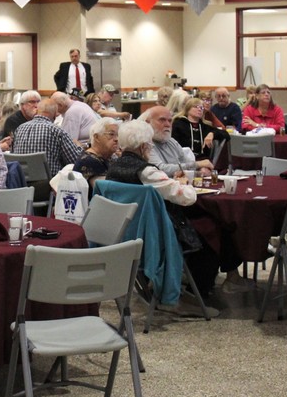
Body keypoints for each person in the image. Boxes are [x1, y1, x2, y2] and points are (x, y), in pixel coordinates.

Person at [106, 121, 249, 300]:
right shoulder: (147, 172)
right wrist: (183, 183)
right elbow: (187, 198)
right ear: (143, 147)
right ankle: (196, 293)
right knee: (211, 229)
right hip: (153, 234)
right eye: (150, 144)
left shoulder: (113, 169)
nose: (151, 148)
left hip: (125, 232)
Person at [13, 98, 84, 178]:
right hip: (50, 184)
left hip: (21, 182)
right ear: (54, 115)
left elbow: (13, 156)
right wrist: (79, 146)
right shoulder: (57, 131)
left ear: (36, 111)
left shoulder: (19, 129)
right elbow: (75, 160)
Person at [139, 105, 212, 177]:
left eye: (170, 121)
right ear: (147, 123)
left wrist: (200, 170)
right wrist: (198, 165)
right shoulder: (144, 143)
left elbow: (187, 163)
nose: (167, 124)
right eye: (162, 120)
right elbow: (159, 170)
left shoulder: (171, 141)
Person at [172, 97, 228, 164]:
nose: (199, 109)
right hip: (183, 160)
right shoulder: (178, 124)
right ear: (188, 109)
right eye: (196, 107)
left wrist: (212, 134)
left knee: (205, 170)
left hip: (202, 160)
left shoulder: (205, 126)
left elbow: (226, 134)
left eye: (201, 108)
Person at [74, 117, 119, 184]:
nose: (116, 139)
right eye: (111, 134)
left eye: (118, 135)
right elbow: (107, 191)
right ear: (97, 137)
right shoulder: (89, 161)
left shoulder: (110, 157)